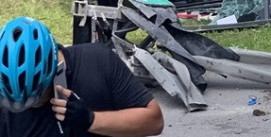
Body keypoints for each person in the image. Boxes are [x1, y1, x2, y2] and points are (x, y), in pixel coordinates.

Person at [0, 15, 163, 136]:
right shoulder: (6, 109)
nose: (30, 105)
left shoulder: (98, 62)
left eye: (37, 97)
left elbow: (154, 122)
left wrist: (91, 120)